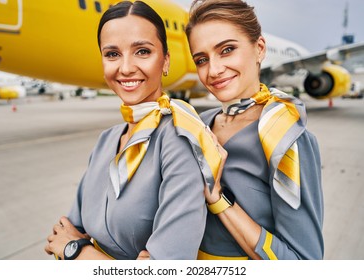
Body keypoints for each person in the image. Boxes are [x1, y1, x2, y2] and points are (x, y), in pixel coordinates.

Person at [44, 0, 223, 260]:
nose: (125, 68)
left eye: (142, 52)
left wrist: (78, 253)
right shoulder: (107, 139)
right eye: (112, 54)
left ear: (165, 61)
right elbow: (62, 232)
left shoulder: (180, 140)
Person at [185, 0, 324, 260]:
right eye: (202, 59)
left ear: (259, 49)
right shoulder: (198, 123)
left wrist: (218, 199)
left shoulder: (286, 136)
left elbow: (304, 263)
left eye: (227, 50)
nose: (213, 70)